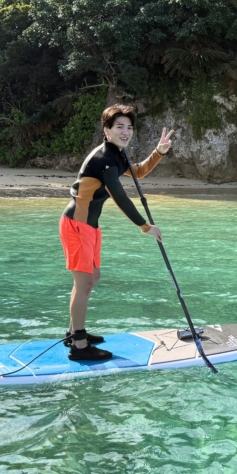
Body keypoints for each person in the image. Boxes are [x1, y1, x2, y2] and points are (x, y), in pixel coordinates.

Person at [59, 104, 174, 361]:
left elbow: (138, 171)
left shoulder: (117, 155)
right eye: (119, 126)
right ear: (106, 130)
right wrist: (145, 226)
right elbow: (120, 197)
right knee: (83, 283)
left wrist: (159, 152)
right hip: (76, 226)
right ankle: (79, 345)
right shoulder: (104, 161)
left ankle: (73, 332)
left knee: (93, 277)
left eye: (129, 127)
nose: (125, 132)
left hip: (90, 226)